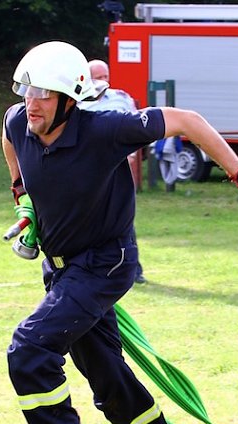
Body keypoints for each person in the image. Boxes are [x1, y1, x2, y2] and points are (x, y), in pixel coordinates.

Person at [0, 41, 238, 424]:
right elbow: (9, 141)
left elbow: (189, 121)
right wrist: (23, 199)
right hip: (61, 269)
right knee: (109, 380)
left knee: (29, 349)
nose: (33, 102)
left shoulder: (107, 129)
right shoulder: (19, 122)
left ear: (71, 98)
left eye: (45, 93)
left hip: (104, 265)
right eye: (28, 90)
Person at [80, 58, 147, 284]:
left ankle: (133, 269)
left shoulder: (121, 99)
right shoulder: (78, 104)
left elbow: (137, 129)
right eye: (97, 78)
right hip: (89, 173)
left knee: (123, 218)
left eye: (105, 77)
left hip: (119, 171)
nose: (102, 81)